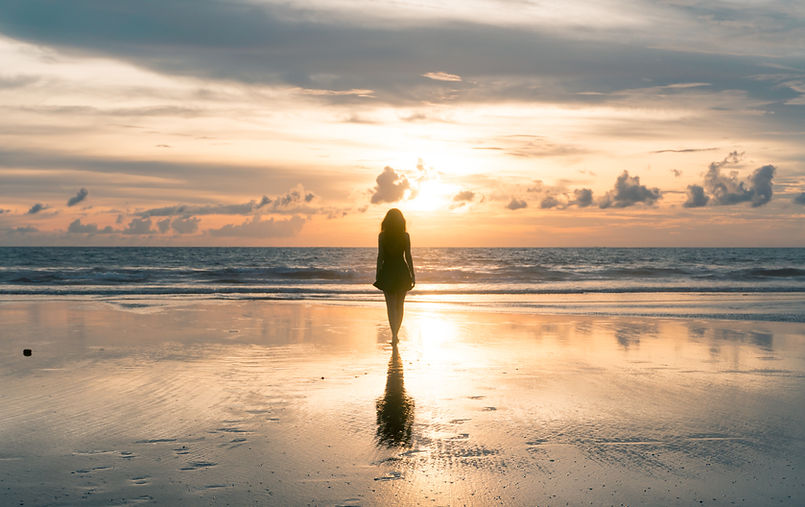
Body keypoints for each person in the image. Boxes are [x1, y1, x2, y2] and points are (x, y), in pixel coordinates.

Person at [373, 208, 415, 344]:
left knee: (390, 306)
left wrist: (378, 272)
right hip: (402, 270)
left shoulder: (382, 236)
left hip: (388, 270)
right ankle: (396, 333)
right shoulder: (405, 236)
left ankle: (394, 335)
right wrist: (412, 274)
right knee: (400, 305)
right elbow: (408, 256)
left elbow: (380, 256)